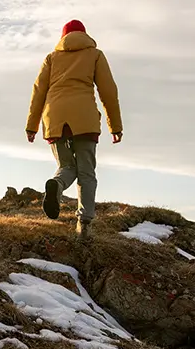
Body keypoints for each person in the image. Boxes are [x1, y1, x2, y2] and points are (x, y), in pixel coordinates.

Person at [25, 19, 123, 238]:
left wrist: (31, 126)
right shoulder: (95, 54)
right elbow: (108, 91)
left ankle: (57, 185)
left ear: (63, 37)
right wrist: (115, 125)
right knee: (86, 171)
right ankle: (84, 225)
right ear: (85, 35)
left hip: (55, 117)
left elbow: (38, 92)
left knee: (67, 165)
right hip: (84, 118)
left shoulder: (52, 57)